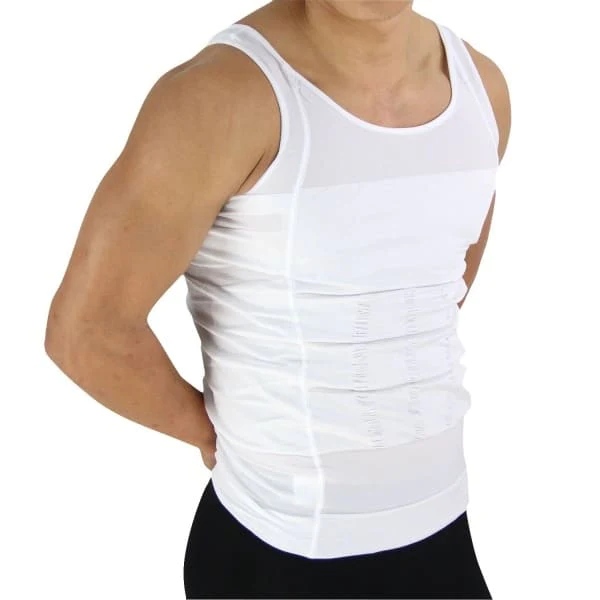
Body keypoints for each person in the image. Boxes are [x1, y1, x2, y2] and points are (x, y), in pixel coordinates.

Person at [44, 0, 511, 597]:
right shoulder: (219, 98)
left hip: (442, 529)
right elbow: (86, 331)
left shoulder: (482, 90)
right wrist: (214, 435)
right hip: (281, 551)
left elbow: (437, 292)